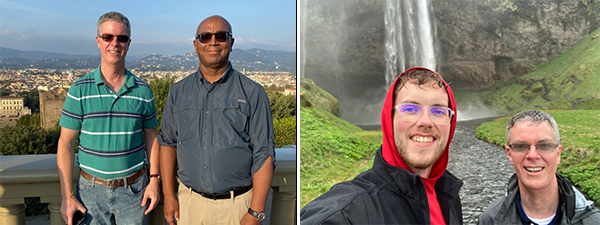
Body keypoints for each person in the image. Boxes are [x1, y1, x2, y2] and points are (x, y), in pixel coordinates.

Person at [301, 67, 463, 224]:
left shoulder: (448, 197)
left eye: (440, 112)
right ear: (389, 119)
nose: (425, 122)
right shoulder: (347, 212)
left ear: (451, 123)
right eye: (410, 109)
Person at [157, 15, 275, 225]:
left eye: (221, 36)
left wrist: (256, 211)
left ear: (231, 42)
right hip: (189, 206)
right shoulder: (178, 92)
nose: (213, 41)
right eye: (205, 36)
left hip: (237, 207)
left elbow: (263, 152)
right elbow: (168, 144)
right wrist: (169, 196)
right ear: (196, 45)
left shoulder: (253, 92)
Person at [57, 11, 160, 225]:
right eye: (108, 37)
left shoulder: (143, 90)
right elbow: (66, 142)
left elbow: (152, 136)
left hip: (134, 192)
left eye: (121, 38)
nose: (115, 43)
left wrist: (154, 180)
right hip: (90, 193)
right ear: (98, 41)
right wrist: (67, 196)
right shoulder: (79, 90)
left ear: (129, 43)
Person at [477, 110, 600, 225]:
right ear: (510, 155)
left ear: (558, 154)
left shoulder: (593, 221)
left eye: (544, 145)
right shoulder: (489, 220)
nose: (532, 155)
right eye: (521, 146)